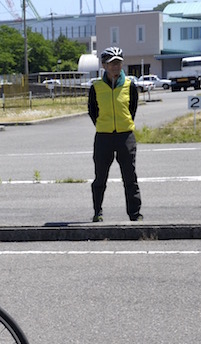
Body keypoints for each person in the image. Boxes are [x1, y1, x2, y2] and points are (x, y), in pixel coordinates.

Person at [87, 46, 143, 223]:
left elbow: (132, 108)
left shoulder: (129, 85)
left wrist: (123, 124)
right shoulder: (96, 87)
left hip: (125, 136)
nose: (115, 67)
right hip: (103, 137)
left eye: (118, 63)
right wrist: (103, 125)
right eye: (111, 64)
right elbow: (92, 111)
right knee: (100, 177)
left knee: (130, 176)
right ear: (104, 65)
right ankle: (98, 211)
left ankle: (135, 214)